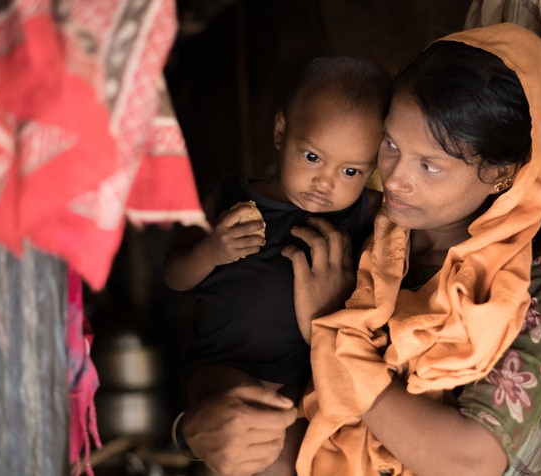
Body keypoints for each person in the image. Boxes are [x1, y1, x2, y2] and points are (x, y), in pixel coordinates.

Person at [176, 23, 541, 476]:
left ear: (503, 173)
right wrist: (193, 427)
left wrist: (331, 333)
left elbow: (469, 461)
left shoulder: (530, 285)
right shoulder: (362, 235)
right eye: (390, 144)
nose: (394, 178)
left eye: (429, 165)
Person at [163, 54, 390, 475]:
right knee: (253, 435)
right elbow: (174, 276)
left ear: (374, 170)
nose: (327, 182)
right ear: (281, 132)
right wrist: (209, 252)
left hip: (305, 380)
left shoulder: (369, 217)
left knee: (289, 459)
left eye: (351, 170)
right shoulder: (230, 198)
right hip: (224, 367)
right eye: (312, 158)